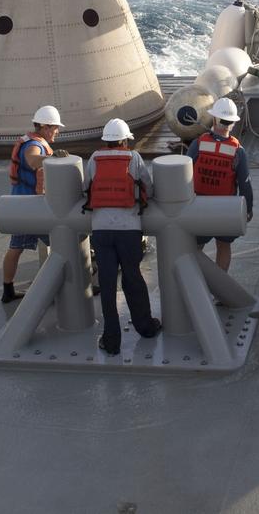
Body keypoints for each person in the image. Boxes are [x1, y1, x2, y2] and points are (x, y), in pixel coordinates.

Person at [85, 118, 160, 356]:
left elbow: (85, 187)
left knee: (107, 286)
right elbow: (148, 186)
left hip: (101, 231)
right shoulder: (134, 158)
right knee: (133, 279)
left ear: (105, 141)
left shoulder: (94, 159)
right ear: (125, 141)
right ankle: (146, 327)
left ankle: (112, 341)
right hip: (129, 230)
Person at [1, 105, 64, 303]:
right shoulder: (34, 145)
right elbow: (33, 160)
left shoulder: (28, 140)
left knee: (15, 249)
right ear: (45, 127)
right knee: (65, 242)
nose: (57, 131)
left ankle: (8, 290)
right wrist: (53, 157)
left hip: (20, 206)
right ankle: (76, 286)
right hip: (34, 208)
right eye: (54, 127)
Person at [186, 97, 253, 271]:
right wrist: (249, 209)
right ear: (232, 123)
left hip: (200, 206)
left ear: (214, 119)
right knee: (223, 246)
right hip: (225, 208)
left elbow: (183, 173)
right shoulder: (238, 151)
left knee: (196, 248)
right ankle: (220, 289)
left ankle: (195, 282)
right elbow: (245, 184)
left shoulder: (198, 144)